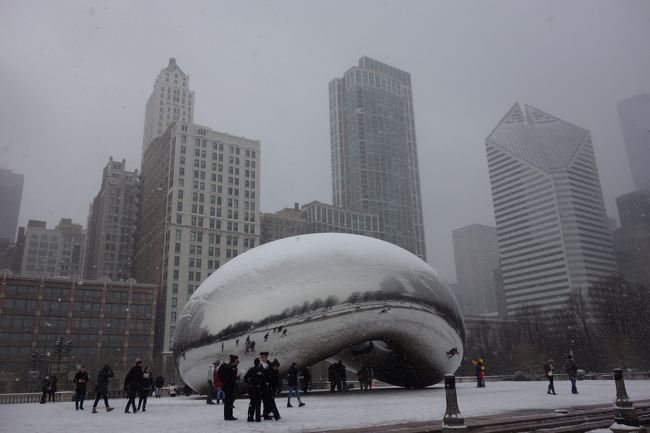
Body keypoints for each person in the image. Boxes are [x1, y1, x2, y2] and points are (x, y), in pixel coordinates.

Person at [260, 352, 280, 420]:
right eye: (261, 357)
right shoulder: (260, 365)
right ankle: (266, 413)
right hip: (264, 386)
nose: (262, 358)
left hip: (270, 386)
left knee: (270, 400)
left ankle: (270, 413)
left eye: (263, 357)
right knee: (266, 401)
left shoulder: (270, 364)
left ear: (266, 357)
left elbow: (275, 375)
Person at [220, 354, 239, 420]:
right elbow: (229, 378)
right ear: (234, 360)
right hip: (229, 387)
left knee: (228, 402)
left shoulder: (230, 367)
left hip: (228, 387)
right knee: (229, 402)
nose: (237, 362)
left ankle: (228, 415)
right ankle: (229, 416)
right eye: (237, 360)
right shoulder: (230, 367)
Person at [244, 357, 264, 422]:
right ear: (259, 363)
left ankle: (250, 417)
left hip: (251, 389)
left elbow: (245, 378)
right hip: (258, 389)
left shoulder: (251, 370)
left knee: (252, 403)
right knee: (258, 404)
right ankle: (258, 418)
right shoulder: (261, 369)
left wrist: (250, 383)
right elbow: (263, 379)